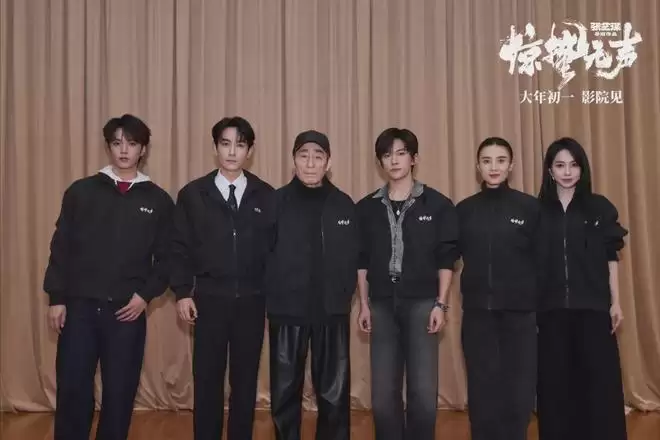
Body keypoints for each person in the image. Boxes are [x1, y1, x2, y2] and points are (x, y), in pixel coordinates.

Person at [43, 114, 174, 440]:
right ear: (108, 147)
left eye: (132, 143)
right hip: (79, 310)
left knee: (120, 393)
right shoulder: (81, 191)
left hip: (126, 312)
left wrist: (144, 296)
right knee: (73, 389)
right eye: (117, 143)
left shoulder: (157, 200)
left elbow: (168, 258)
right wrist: (57, 298)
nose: (124, 150)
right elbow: (61, 247)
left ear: (143, 149)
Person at [170, 116, 274, 440]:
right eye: (225, 144)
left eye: (239, 145)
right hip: (208, 302)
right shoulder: (193, 194)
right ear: (215, 148)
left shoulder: (266, 195)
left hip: (252, 302)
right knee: (207, 381)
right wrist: (183, 292)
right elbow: (178, 248)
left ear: (250, 151)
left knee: (244, 382)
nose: (232, 152)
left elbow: (274, 251)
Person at [356, 128, 459, 440]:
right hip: (381, 305)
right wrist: (364, 304)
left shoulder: (437, 204)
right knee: (382, 398)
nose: (394, 160)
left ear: (414, 159)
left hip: (423, 304)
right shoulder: (366, 208)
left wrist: (440, 304)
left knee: (423, 395)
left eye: (401, 153)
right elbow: (361, 260)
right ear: (380, 162)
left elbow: (446, 259)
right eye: (387, 155)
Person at [264, 130, 359, 440]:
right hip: (287, 312)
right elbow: (262, 254)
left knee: (334, 394)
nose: (310, 163)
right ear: (294, 160)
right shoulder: (276, 202)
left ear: (328, 162)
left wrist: (343, 295)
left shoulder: (343, 204)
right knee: (284, 392)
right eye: (303, 156)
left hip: (331, 312)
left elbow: (354, 257)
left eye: (318, 157)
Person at [536, 137, 628, 440]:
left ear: (582, 168)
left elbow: (610, 257)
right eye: (560, 165)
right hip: (550, 310)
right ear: (550, 170)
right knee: (555, 387)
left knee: (600, 385)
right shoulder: (537, 211)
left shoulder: (600, 207)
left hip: (593, 307)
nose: (567, 172)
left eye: (573, 165)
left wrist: (615, 302)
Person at [455, 137, 540, 440]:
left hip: (521, 314)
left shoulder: (530, 207)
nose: (494, 167)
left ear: (511, 165)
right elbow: (445, 257)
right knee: (482, 388)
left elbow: (545, 260)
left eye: (501, 160)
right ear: (478, 166)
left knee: (519, 388)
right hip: (478, 314)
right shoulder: (464, 210)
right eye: (487, 161)